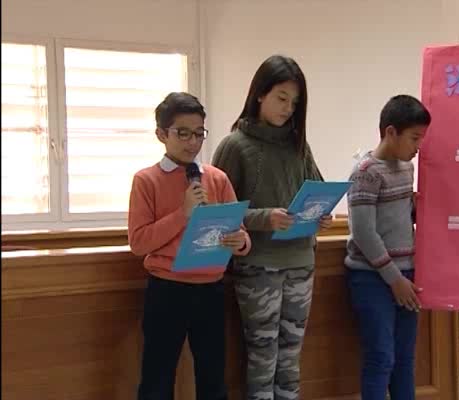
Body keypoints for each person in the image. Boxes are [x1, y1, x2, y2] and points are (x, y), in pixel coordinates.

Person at [211, 55, 332, 400]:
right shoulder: (235, 146)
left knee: (291, 359)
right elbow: (218, 216)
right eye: (281, 98)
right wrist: (265, 218)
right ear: (260, 94)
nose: (287, 109)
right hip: (259, 267)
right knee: (263, 358)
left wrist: (322, 214)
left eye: (294, 103)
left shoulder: (298, 145)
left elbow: (316, 190)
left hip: (300, 264)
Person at [128, 92, 251, 400]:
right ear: (161, 134)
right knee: (157, 377)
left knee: (213, 378)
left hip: (210, 289)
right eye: (183, 133)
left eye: (199, 133)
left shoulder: (217, 178)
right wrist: (182, 214)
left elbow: (240, 231)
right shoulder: (146, 180)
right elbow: (139, 242)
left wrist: (241, 242)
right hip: (167, 289)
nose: (192, 142)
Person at [345, 94, 431, 400]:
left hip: (406, 276)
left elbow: (403, 217)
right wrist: (394, 279)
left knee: (404, 361)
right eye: (414, 138)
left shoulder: (406, 169)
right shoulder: (366, 172)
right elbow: (364, 233)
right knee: (381, 357)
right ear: (390, 132)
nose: (418, 147)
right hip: (373, 278)